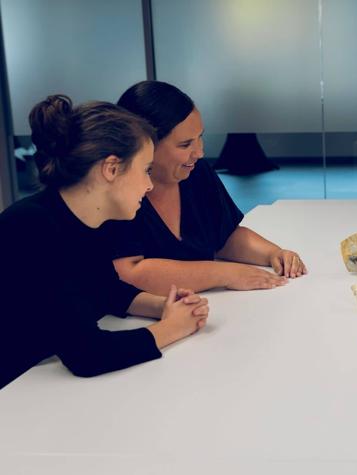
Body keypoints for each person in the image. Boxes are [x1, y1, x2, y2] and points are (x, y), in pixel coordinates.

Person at [0, 95, 209, 389]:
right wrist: (171, 328)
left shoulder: (94, 218)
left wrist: (165, 306)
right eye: (145, 170)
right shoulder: (30, 226)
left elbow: (107, 291)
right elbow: (87, 354)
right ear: (111, 168)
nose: (150, 185)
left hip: (41, 381)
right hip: (15, 392)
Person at [99, 81, 306, 296]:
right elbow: (129, 273)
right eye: (185, 144)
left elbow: (224, 236)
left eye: (200, 137)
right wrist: (225, 274)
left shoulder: (195, 172)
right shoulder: (119, 191)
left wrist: (274, 253)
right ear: (144, 145)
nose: (199, 152)